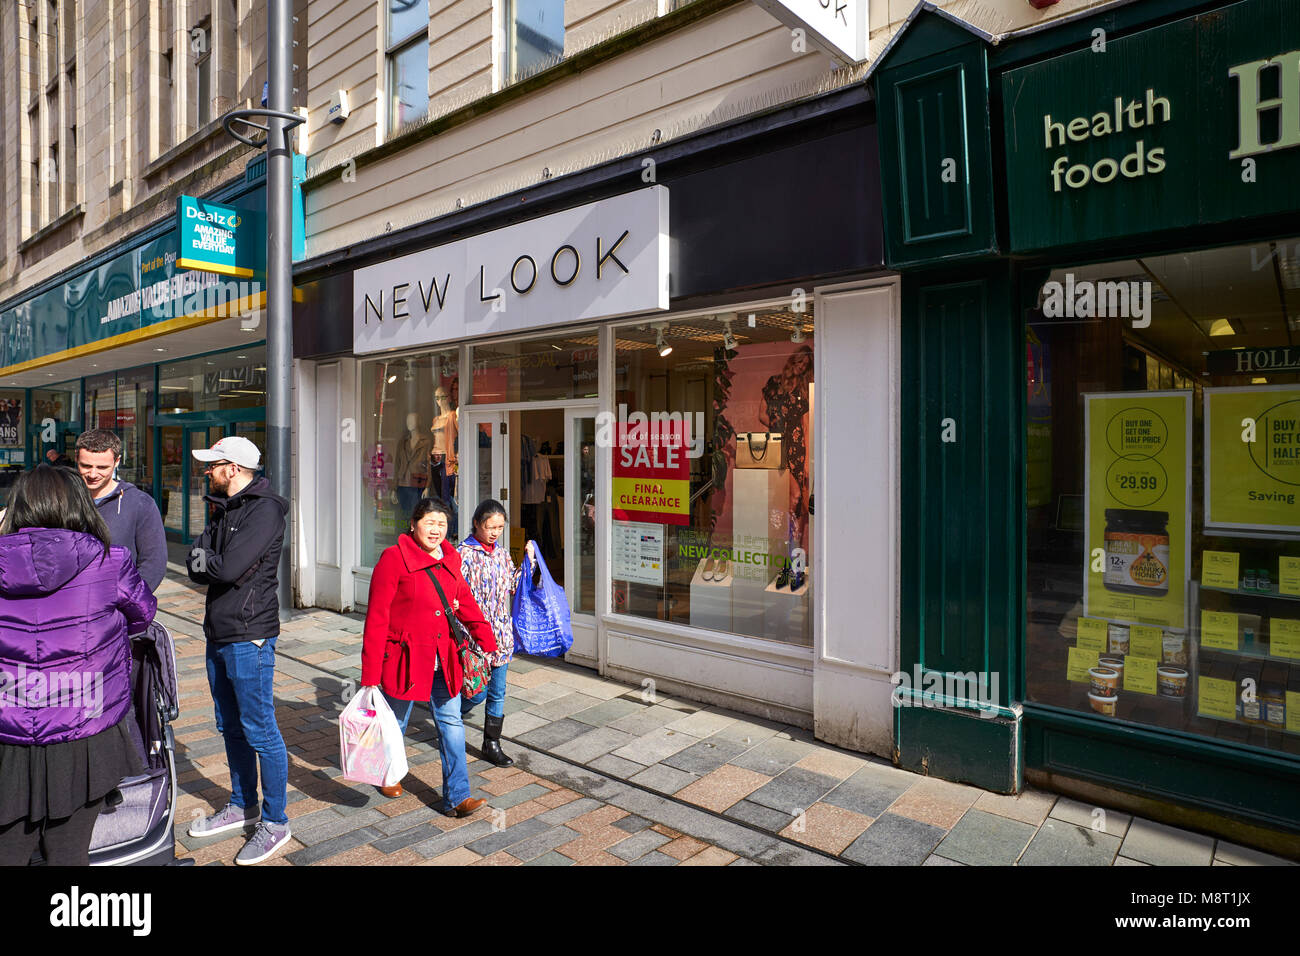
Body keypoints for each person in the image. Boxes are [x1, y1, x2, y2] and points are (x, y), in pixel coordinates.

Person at [0, 464, 156, 866]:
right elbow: (142, 615)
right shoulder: (109, 561)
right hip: (82, 724)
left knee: (8, 849)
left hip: (7, 726)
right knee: (69, 853)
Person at [183, 436, 293, 865]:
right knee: (229, 725)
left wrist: (207, 562)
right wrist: (208, 561)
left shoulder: (264, 510)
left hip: (250, 634)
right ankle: (243, 802)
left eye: (213, 465)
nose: (206, 471)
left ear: (233, 468)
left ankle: (276, 821)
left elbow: (224, 567)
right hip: (219, 629)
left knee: (260, 729)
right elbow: (201, 559)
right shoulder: (224, 507)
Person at [360, 497, 497, 815]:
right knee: (395, 721)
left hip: (444, 658)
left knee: (451, 723)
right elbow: (377, 616)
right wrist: (370, 673)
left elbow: (465, 600)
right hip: (405, 658)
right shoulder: (393, 559)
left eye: (442, 524)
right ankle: (388, 773)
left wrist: (486, 638)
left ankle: (458, 796)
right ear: (413, 523)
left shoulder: (451, 559)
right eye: (429, 522)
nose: (436, 530)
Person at [458, 499, 534, 767]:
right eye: (491, 526)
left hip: (501, 634)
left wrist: (529, 562)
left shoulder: (501, 553)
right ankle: (451, 713)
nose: (495, 532)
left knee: (498, 692)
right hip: (473, 633)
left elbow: (513, 585)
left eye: (500, 527)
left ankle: (492, 743)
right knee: (476, 692)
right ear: (477, 523)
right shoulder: (464, 554)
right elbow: (454, 594)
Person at [75, 428, 168, 592]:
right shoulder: (63, 498)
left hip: (118, 608)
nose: (93, 473)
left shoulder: (141, 504)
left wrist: (128, 602)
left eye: (102, 467)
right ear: (76, 459)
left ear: (117, 461)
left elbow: (154, 563)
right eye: (86, 466)